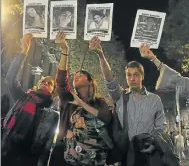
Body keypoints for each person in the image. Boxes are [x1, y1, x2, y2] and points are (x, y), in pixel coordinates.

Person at [89, 36, 179, 166]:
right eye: (129, 75)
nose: (132, 78)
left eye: (136, 75)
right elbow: (110, 80)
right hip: (126, 157)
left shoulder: (154, 100)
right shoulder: (120, 96)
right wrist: (101, 56)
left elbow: (161, 128)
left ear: (142, 76)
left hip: (149, 157)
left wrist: (154, 145)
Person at [49, 32, 112, 166]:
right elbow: (61, 81)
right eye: (75, 76)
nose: (76, 76)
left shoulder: (99, 102)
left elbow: (105, 118)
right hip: (66, 158)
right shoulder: (69, 99)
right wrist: (65, 50)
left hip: (94, 160)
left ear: (90, 82)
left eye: (81, 74)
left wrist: (81, 104)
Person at [1, 33, 59, 166]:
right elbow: (10, 79)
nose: (45, 83)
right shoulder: (23, 98)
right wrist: (23, 52)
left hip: (29, 159)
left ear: (52, 91)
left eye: (49, 83)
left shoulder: (53, 114)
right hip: (6, 150)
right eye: (43, 81)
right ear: (37, 84)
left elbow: (48, 146)